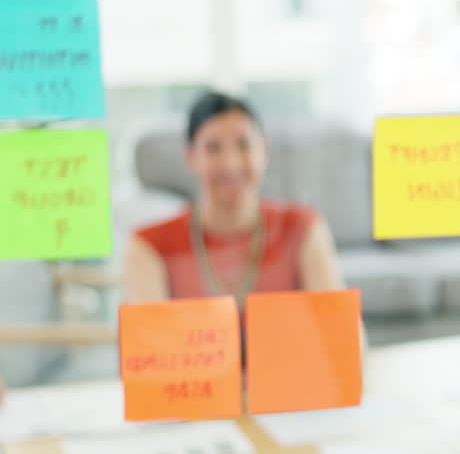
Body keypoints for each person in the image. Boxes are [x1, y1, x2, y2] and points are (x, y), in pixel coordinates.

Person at [124, 91, 347, 304]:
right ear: (191, 157)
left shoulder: (302, 228)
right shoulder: (150, 245)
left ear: (264, 150)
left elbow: (344, 334)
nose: (230, 163)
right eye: (213, 148)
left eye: (244, 145)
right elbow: (147, 342)